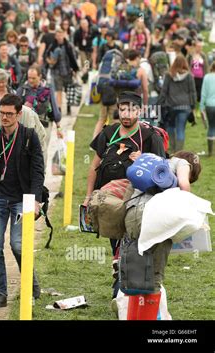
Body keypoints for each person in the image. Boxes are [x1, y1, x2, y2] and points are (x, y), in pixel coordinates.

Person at [83, 91, 166, 300]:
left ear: (139, 111)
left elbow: (162, 170)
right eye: (123, 109)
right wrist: (88, 196)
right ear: (118, 110)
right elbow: (94, 166)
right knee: (116, 243)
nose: (126, 114)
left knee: (130, 244)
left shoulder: (149, 137)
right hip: (109, 202)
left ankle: (123, 290)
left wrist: (144, 159)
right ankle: (121, 281)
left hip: (137, 202)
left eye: (131, 110)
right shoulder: (108, 133)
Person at [0, 94, 44, 309]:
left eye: (9, 114)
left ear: (18, 114)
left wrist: (35, 200)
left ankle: (31, 285)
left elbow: (37, 171)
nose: (4, 117)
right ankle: (0, 294)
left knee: (17, 245)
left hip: (21, 199)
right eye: (2, 113)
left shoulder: (28, 136)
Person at [124, 150, 201, 320]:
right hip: (154, 218)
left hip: (131, 217)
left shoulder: (156, 165)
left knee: (137, 279)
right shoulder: (182, 163)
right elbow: (184, 185)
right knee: (153, 280)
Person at [16, 65, 62, 159]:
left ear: (40, 76)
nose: (31, 80)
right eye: (29, 78)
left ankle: (41, 172)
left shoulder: (48, 89)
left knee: (42, 151)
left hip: (44, 125)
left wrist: (59, 128)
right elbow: (15, 108)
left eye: (34, 78)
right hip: (27, 126)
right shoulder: (22, 90)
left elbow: (54, 109)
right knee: (26, 151)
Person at [157, 55, 197, 153]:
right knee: (180, 129)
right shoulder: (189, 76)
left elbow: (164, 91)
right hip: (185, 106)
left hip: (171, 106)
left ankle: (173, 148)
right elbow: (192, 92)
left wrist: (159, 103)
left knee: (171, 127)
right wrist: (193, 106)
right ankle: (179, 152)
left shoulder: (169, 75)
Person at [199, 62, 215, 157]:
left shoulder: (207, 77)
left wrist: (201, 107)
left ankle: (210, 152)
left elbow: (203, 93)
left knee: (211, 127)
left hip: (209, 105)